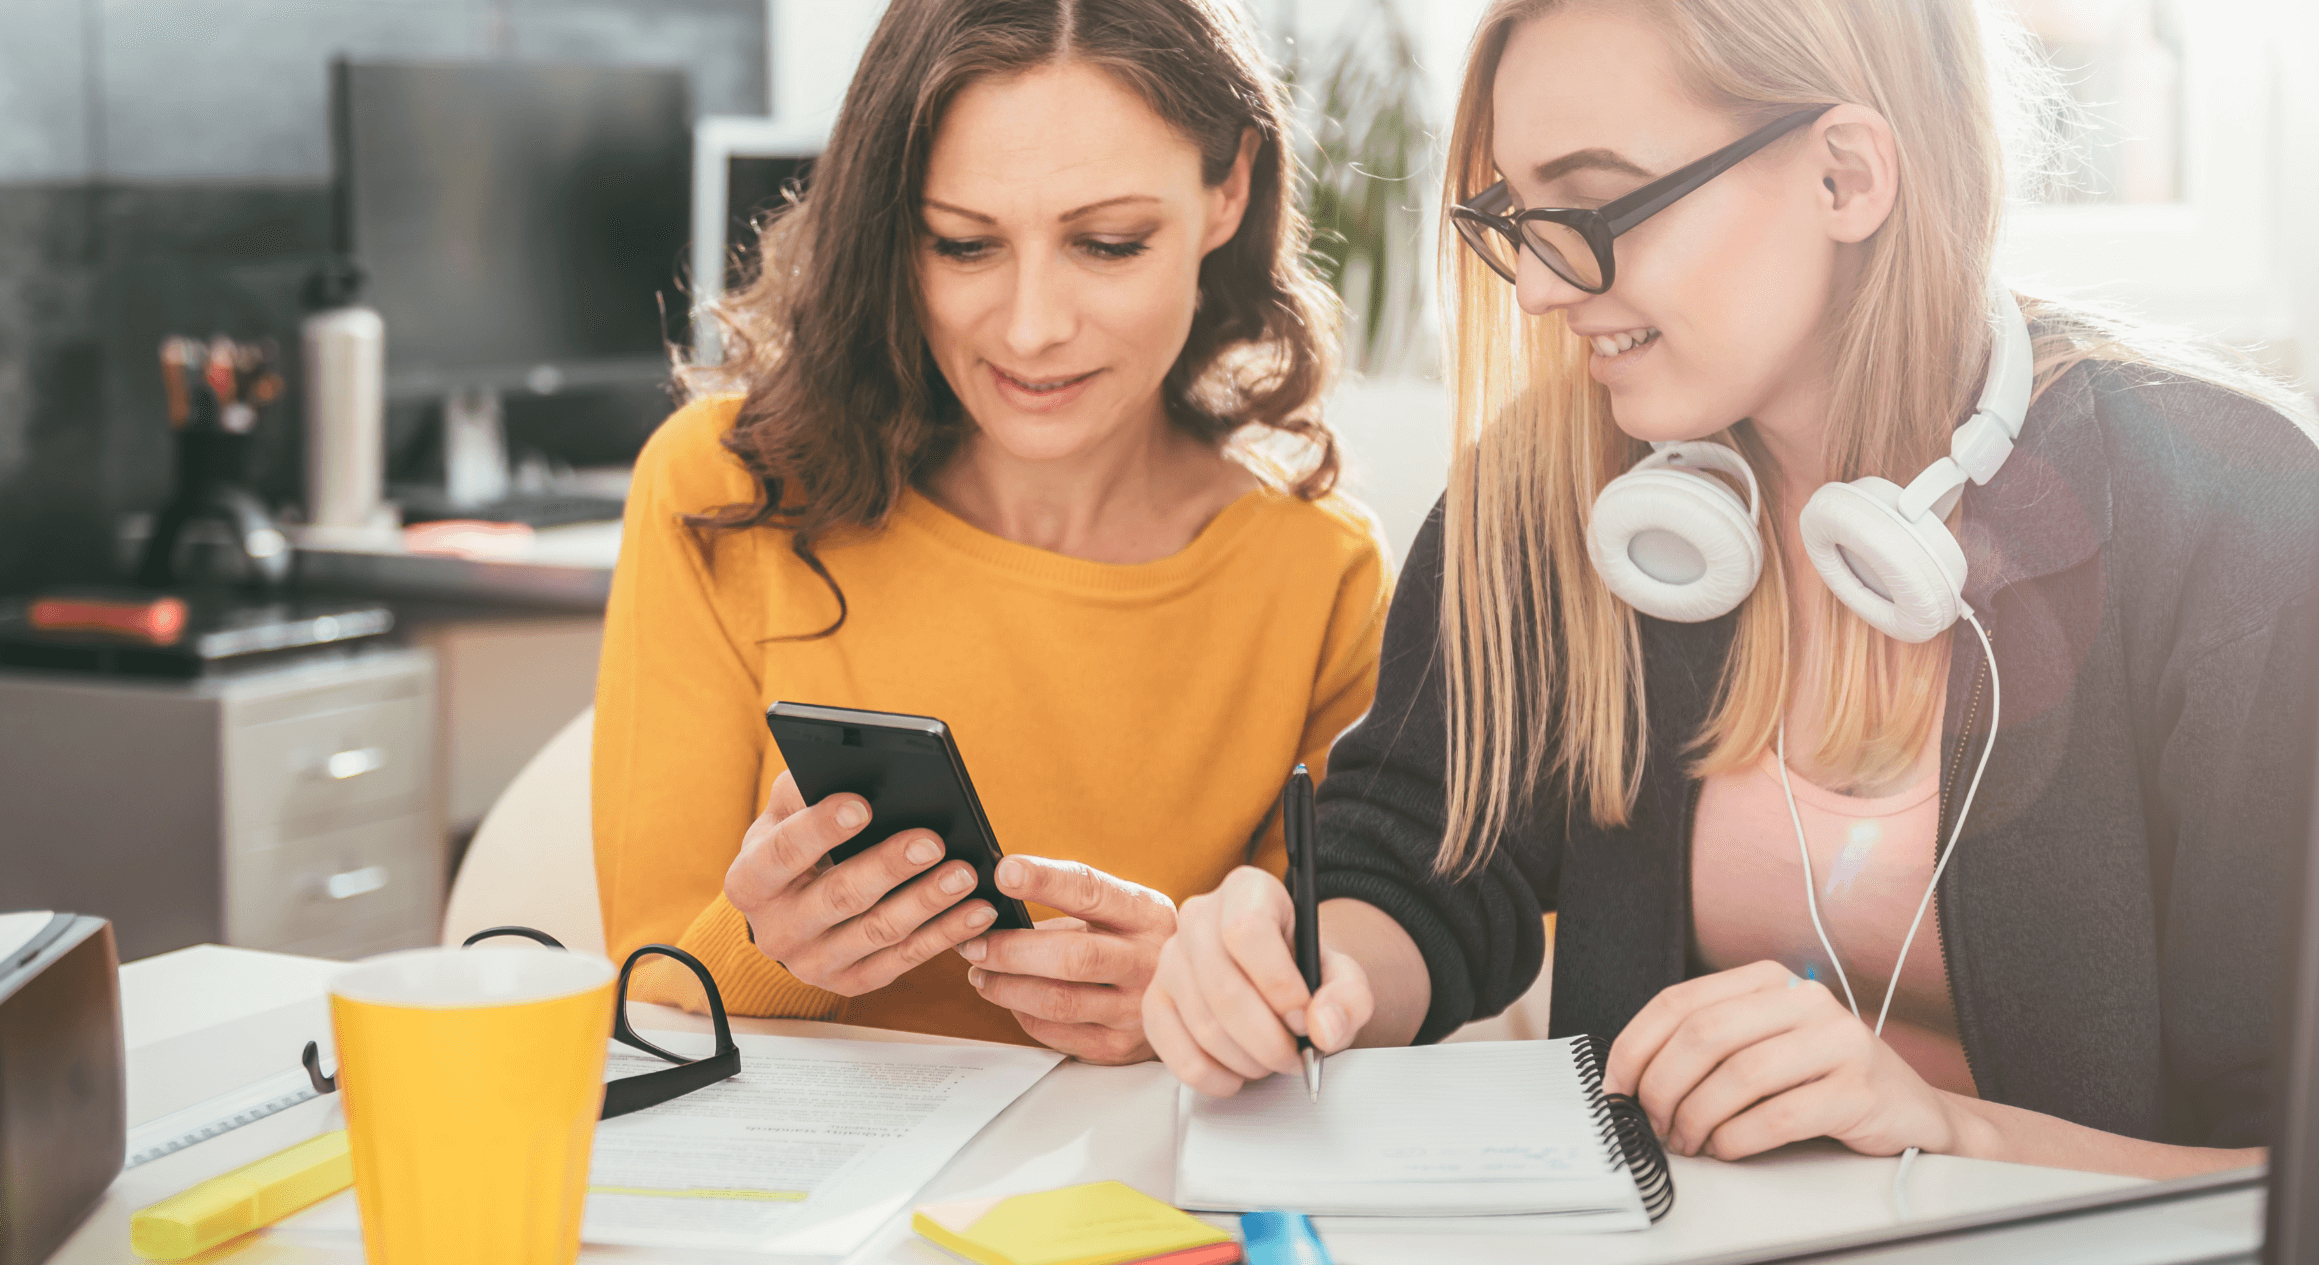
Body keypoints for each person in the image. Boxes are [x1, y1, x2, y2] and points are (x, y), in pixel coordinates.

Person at [1144, 0, 2319, 1176]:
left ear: (1846, 177)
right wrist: (1302, 966)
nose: (1541, 289)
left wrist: (1952, 1131)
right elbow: (1421, 857)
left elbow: (2285, 1166)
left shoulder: (2229, 519)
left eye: (1594, 203)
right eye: (1517, 213)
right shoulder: (1559, 491)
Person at [590, 0, 1394, 1059]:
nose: (1030, 327)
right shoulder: (718, 488)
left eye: (1108, 243)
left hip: (1133, 1208)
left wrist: (1199, 1003)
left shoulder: (1320, 576)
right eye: (963, 245)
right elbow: (649, 991)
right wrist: (770, 949)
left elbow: (1330, 996)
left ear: (1228, 190)